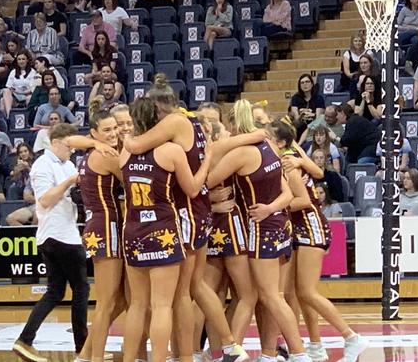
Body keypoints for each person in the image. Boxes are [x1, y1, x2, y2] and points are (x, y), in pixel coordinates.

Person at [122, 75, 247, 362]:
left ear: (159, 106)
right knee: (194, 287)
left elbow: (136, 146)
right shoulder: (191, 122)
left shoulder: (175, 122)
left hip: (185, 212)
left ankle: (190, 354)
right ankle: (226, 346)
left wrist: (126, 137)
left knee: (179, 296)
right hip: (197, 210)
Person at [206, 101, 311, 362]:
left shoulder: (240, 154)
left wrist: (215, 198)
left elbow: (202, 183)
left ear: (231, 125)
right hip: (280, 225)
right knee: (264, 296)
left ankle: (297, 353)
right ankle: (265, 353)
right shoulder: (271, 147)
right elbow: (287, 192)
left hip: (259, 227)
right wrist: (271, 208)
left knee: (264, 297)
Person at [271, 120, 369, 362]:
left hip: (310, 225)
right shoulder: (290, 154)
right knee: (292, 293)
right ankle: (311, 346)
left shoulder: (288, 164)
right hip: (296, 228)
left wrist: (272, 208)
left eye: (268, 136)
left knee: (306, 291)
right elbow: (317, 171)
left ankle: (351, 337)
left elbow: (303, 200)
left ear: (281, 143)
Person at [12, 124, 89, 362]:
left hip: (63, 232)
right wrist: (68, 183)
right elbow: (44, 200)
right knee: (81, 289)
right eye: (69, 146)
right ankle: (83, 348)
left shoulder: (67, 164)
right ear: (55, 142)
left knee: (55, 291)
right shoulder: (42, 165)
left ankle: (25, 339)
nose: (72, 151)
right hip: (58, 234)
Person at [75, 97, 125, 362]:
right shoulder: (107, 155)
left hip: (98, 224)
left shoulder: (89, 154)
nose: (114, 133)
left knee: (120, 300)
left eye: (115, 128)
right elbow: (134, 181)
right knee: (106, 302)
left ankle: (84, 355)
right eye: (107, 130)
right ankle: (93, 358)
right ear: (94, 133)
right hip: (107, 226)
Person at [1, 50, 37, 118]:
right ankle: (9, 116)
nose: (21, 61)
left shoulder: (33, 72)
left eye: (23, 59)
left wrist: (20, 92)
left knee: (29, 98)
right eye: (19, 59)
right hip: (16, 97)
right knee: (3, 98)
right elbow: (9, 87)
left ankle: (29, 119)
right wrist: (15, 91)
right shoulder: (13, 72)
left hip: (28, 95)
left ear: (27, 60)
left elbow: (32, 88)